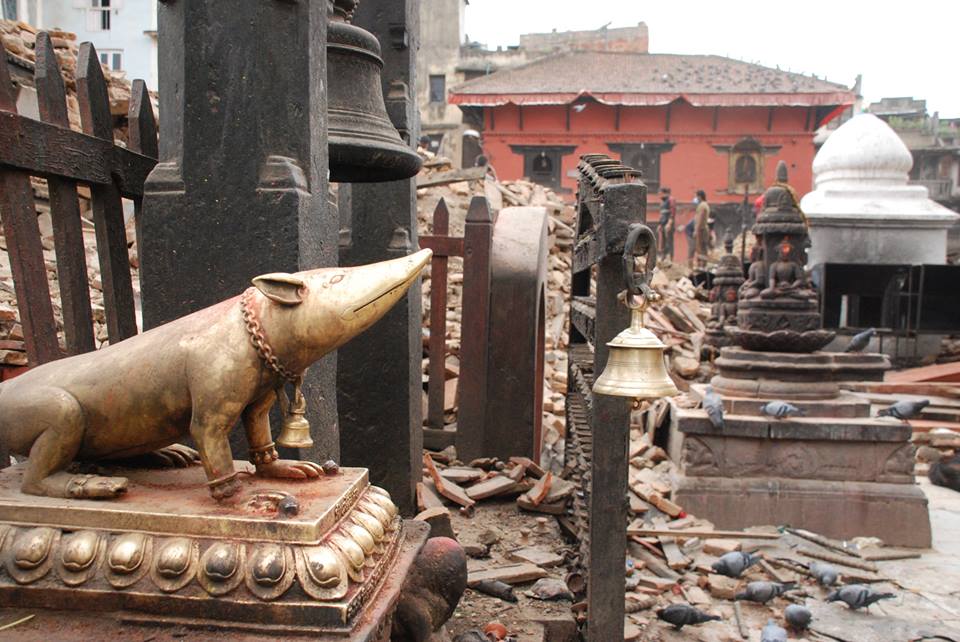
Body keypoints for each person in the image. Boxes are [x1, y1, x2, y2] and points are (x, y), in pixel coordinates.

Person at [693, 190, 710, 268]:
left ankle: (702, 266)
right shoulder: (704, 205)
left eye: (696, 196)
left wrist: (696, 230)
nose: (695, 198)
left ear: (700, 196)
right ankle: (702, 265)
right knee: (702, 248)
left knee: (701, 249)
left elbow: (700, 218)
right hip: (702, 229)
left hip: (701, 230)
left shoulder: (702, 206)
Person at [658, 187, 676, 260]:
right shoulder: (662, 202)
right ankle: (663, 257)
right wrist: (660, 224)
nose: (659, 195)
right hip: (663, 223)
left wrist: (669, 223)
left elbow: (672, 212)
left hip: (668, 224)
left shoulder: (671, 199)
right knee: (663, 241)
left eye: (660, 193)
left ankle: (670, 258)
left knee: (669, 241)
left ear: (664, 193)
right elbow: (662, 214)